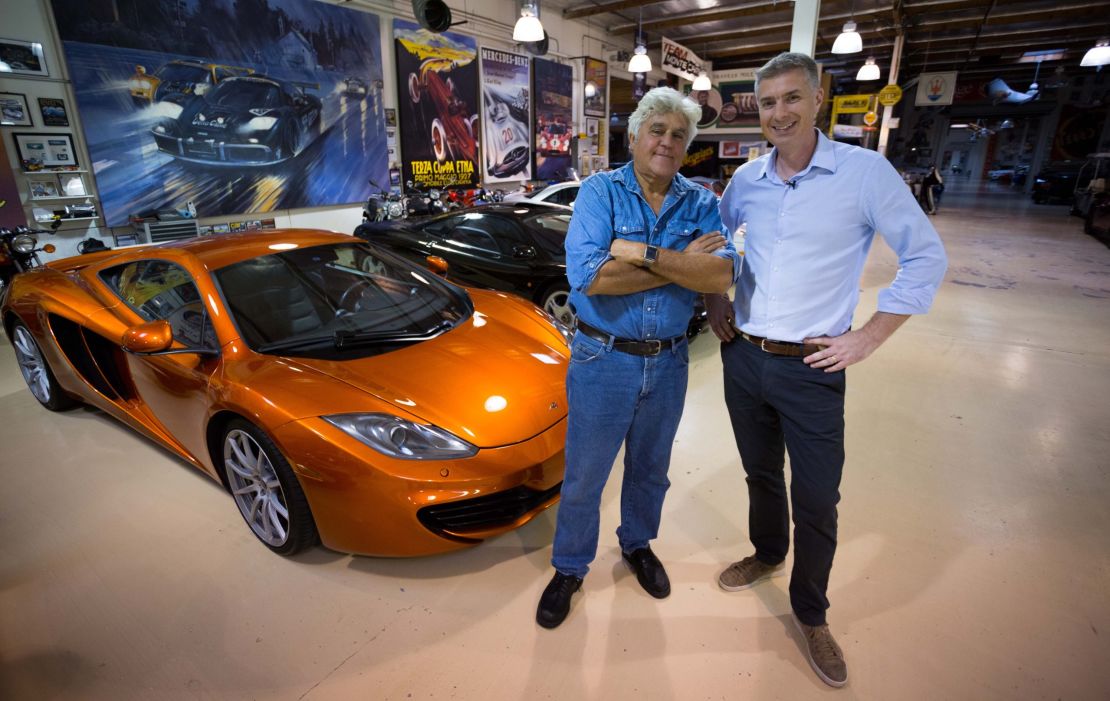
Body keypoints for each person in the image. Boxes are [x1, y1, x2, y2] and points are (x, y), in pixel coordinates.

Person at [708, 52, 947, 687]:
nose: (779, 113)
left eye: (791, 98)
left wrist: (869, 335)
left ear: (819, 99)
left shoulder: (865, 174)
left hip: (813, 367)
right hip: (744, 358)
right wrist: (713, 301)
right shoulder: (746, 181)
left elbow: (925, 258)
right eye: (766, 103)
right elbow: (709, 241)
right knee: (761, 473)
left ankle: (811, 614)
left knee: (815, 497)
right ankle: (767, 553)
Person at [536, 87, 741, 629]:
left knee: (651, 472)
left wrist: (640, 253)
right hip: (603, 359)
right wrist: (680, 263)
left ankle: (637, 544)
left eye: (679, 135)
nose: (667, 142)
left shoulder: (700, 203)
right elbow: (590, 280)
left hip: (669, 363)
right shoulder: (600, 193)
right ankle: (570, 566)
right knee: (584, 475)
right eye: (658, 130)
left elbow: (719, 274)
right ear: (635, 136)